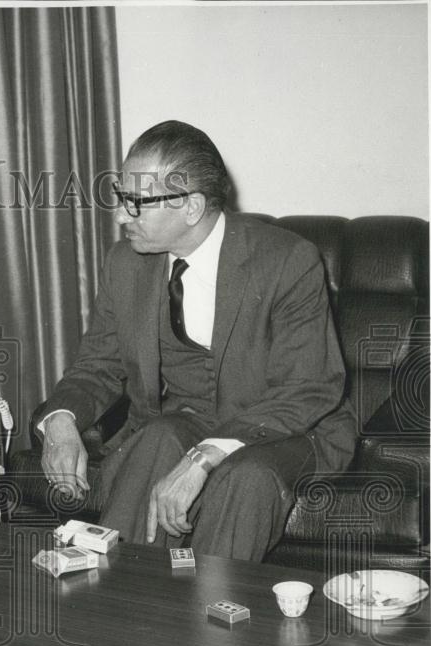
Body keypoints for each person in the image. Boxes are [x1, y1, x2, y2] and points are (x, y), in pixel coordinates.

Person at [38, 121, 355, 561]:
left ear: (191, 207)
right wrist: (59, 420)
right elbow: (97, 365)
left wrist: (203, 456)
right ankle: (115, 589)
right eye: (120, 196)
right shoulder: (125, 264)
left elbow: (307, 389)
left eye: (135, 202)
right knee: (157, 438)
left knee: (245, 477)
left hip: (289, 428)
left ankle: (209, 604)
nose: (120, 216)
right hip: (187, 420)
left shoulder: (287, 261)